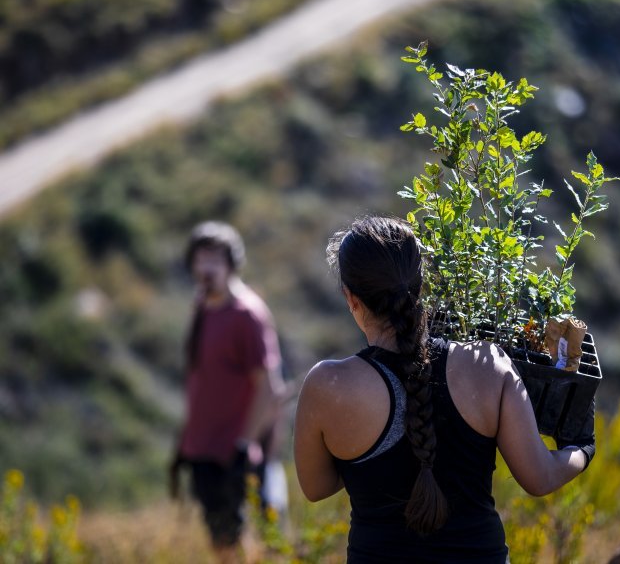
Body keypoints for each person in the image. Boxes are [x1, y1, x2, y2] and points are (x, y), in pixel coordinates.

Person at [293, 216, 595, 563]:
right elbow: (539, 477)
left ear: (351, 298)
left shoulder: (327, 386)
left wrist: (368, 459)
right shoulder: (487, 365)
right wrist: (582, 448)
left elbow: (315, 488)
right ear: (421, 285)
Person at [172, 221, 287, 563]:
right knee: (220, 540)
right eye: (200, 258)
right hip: (203, 448)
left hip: (231, 454)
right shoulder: (203, 305)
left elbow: (269, 388)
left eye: (214, 259)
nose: (205, 267)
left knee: (240, 539)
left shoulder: (246, 315)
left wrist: (243, 445)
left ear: (231, 263)